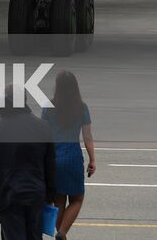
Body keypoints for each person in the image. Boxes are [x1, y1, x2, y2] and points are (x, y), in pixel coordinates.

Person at [0, 88, 56, 240]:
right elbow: (50, 165)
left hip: (8, 193)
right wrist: (50, 194)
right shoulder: (43, 127)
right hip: (35, 192)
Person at [41, 70, 95, 240]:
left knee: (58, 201)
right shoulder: (82, 107)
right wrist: (92, 159)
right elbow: (87, 137)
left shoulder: (48, 107)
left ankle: (60, 234)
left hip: (54, 157)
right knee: (77, 199)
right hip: (72, 156)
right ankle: (62, 233)